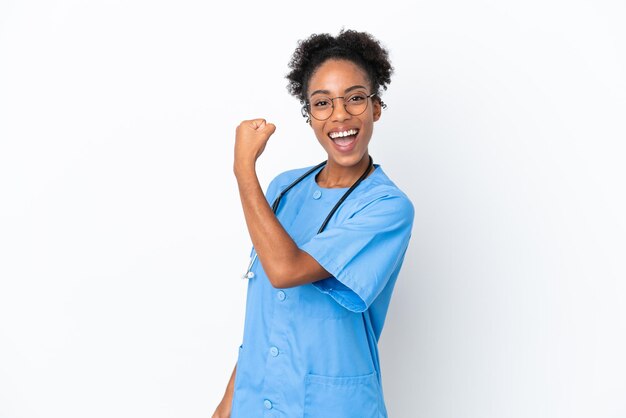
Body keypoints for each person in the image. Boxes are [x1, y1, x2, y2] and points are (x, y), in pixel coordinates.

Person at [212, 28, 415, 418]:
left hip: (333, 407)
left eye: (355, 98)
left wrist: (242, 170)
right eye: (322, 103)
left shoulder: (387, 207)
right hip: (256, 402)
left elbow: (286, 270)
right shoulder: (282, 189)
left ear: (376, 107)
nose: (340, 115)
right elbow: (266, 317)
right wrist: (227, 403)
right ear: (309, 115)